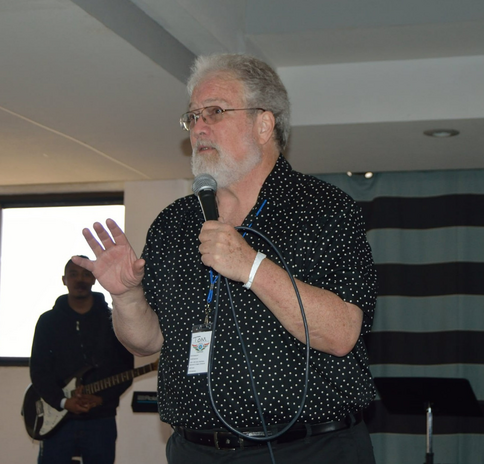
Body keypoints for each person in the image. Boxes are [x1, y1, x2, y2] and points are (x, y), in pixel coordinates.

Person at [75, 53, 378, 464]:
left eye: (215, 112)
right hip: (195, 450)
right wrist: (126, 296)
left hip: (309, 450)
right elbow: (147, 341)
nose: (198, 127)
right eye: (192, 116)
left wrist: (251, 267)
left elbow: (342, 334)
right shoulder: (174, 223)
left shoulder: (324, 209)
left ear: (264, 124)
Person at [29, 257, 134, 464]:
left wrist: (101, 399)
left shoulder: (114, 320)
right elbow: (39, 371)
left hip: (101, 419)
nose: (80, 280)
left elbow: (126, 370)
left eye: (86, 274)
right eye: (73, 274)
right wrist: (62, 401)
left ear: (94, 279)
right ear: (64, 280)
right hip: (57, 418)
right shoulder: (48, 322)